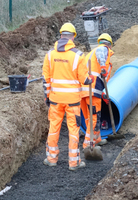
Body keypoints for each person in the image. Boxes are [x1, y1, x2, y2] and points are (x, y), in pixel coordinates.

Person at [42, 23, 94, 171]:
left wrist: (47, 96)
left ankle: (51, 159)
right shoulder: (78, 55)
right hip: (72, 101)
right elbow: (84, 79)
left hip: (55, 99)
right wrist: (89, 79)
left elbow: (46, 79)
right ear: (73, 37)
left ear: (60, 36)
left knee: (53, 128)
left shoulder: (50, 54)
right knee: (73, 130)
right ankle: (74, 162)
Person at [80, 33, 114, 150]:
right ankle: (88, 145)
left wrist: (103, 94)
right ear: (109, 45)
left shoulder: (89, 55)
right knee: (94, 116)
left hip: (83, 91)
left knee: (88, 117)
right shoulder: (102, 49)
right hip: (92, 89)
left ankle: (97, 138)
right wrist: (104, 67)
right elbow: (101, 54)